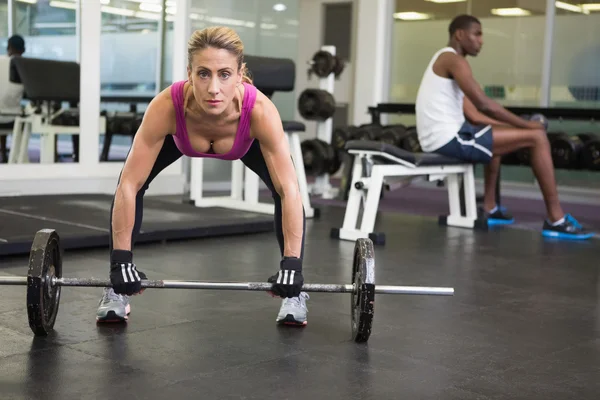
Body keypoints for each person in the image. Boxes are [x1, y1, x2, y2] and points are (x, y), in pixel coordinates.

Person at [96, 26, 309, 325]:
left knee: (281, 191)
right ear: (189, 73)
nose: (213, 89)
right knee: (132, 182)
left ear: (239, 74)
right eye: (203, 74)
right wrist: (120, 262)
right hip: (181, 135)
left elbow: (290, 190)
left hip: (242, 140)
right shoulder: (167, 107)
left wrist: (292, 266)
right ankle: (116, 288)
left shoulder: (259, 111)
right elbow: (129, 185)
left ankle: (293, 294)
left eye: (224, 74)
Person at [415, 14, 594, 240]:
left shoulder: (449, 61)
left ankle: (490, 207)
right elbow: (484, 104)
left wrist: (519, 130)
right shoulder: (453, 61)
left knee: (496, 139)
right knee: (538, 140)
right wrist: (529, 127)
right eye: (477, 34)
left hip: (450, 135)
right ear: (459, 35)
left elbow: (474, 115)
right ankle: (556, 220)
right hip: (449, 139)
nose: (481, 40)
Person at [0, 35, 26, 162]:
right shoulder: (24, 67)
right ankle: (19, 155)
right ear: (24, 50)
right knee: (23, 112)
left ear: (8, 48)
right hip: (14, 120)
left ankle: (3, 153)